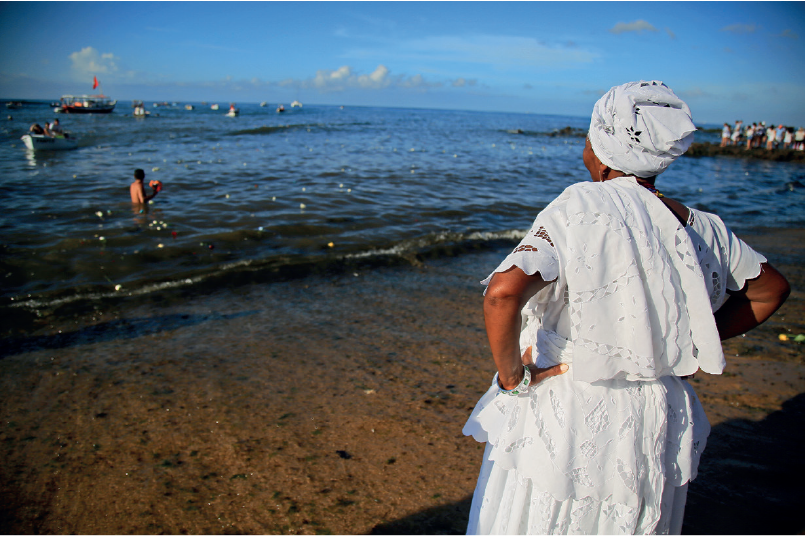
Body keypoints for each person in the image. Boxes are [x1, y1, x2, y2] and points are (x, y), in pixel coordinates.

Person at [463, 81, 789, 535]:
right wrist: (687, 340)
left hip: (573, 402)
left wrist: (511, 380)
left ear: (601, 147)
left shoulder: (581, 204)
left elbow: (502, 292)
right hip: (658, 408)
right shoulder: (705, 228)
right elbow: (770, 290)